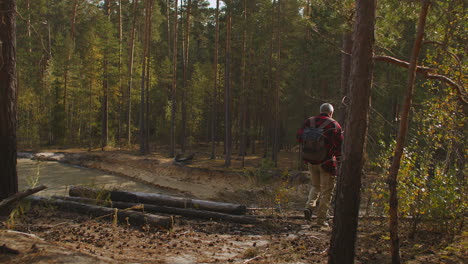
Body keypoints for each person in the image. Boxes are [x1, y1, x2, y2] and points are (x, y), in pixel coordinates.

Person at [296, 103, 343, 228]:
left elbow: (299, 137)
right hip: (327, 163)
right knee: (327, 191)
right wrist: (338, 161)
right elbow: (339, 145)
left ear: (320, 111)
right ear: (331, 113)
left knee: (315, 186)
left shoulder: (309, 122)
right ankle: (321, 220)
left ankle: (309, 207)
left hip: (311, 161)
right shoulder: (334, 124)